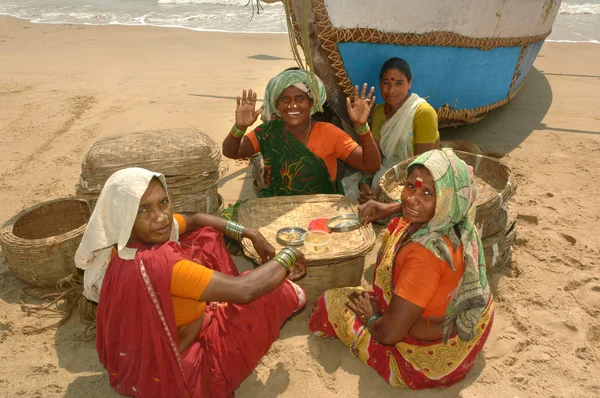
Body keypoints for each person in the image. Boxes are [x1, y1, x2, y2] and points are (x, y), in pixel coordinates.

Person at [75, 167, 307, 397]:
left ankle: (213, 300)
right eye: (142, 209)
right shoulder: (165, 266)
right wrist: (288, 255)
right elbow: (244, 291)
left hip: (147, 362)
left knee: (206, 235)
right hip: (185, 371)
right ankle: (286, 296)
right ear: (123, 217)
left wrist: (249, 233)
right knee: (271, 289)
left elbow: (195, 219)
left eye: (163, 202)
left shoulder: (119, 249)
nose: (160, 216)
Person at [309, 149, 494, 389]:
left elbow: (388, 335)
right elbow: (414, 203)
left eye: (427, 192)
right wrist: (391, 208)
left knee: (329, 303)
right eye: (410, 186)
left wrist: (371, 317)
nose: (411, 199)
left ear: (447, 200)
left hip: (433, 356)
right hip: (471, 325)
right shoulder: (456, 217)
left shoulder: (425, 256)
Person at [222, 68, 381, 199]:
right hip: (277, 208)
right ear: (277, 105)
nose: (292, 106)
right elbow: (231, 151)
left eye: (300, 98)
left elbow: (371, 164)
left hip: (321, 213)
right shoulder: (268, 131)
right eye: (285, 99)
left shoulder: (329, 133)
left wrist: (361, 126)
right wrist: (239, 127)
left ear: (311, 103)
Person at [343, 57, 440, 203]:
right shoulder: (379, 112)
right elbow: (374, 158)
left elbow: (422, 168)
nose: (391, 90)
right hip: (386, 173)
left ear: (410, 83)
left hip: (418, 178)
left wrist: (383, 194)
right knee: (350, 192)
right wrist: (365, 183)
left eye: (399, 83)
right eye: (386, 83)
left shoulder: (423, 113)